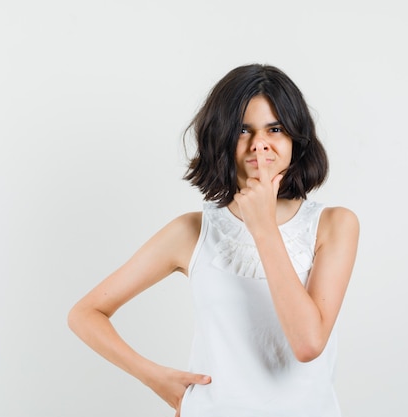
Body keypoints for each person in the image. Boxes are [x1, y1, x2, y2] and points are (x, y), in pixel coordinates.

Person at [68, 64, 359, 417]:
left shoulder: (334, 225)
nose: (259, 144)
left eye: (275, 128)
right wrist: (155, 378)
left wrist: (263, 226)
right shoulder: (191, 231)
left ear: (295, 139)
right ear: (221, 137)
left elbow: (308, 343)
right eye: (242, 130)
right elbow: (85, 314)